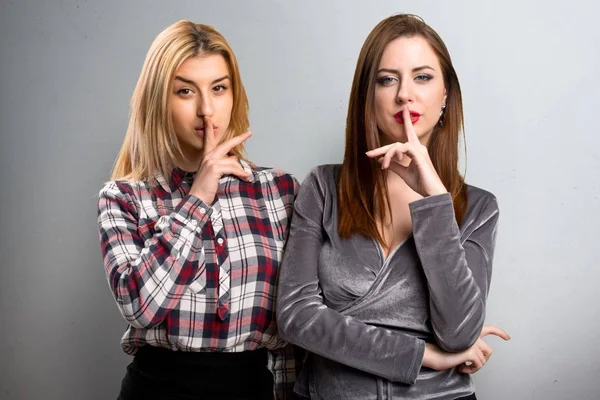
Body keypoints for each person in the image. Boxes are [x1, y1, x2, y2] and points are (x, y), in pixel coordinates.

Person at [276, 14, 509, 399]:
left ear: (446, 94)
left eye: (422, 77)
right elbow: (297, 317)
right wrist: (422, 355)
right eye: (387, 79)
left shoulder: (479, 207)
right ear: (368, 95)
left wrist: (435, 201)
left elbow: (460, 332)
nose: (405, 94)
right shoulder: (322, 187)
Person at [97, 20, 300, 400]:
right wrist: (198, 197)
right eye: (186, 91)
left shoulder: (278, 191)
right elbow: (141, 307)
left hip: (251, 386)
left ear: (234, 95)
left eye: (219, 88)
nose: (207, 110)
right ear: (158, 99)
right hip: (157, 388)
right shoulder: (123, 197)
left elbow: (290, 332)